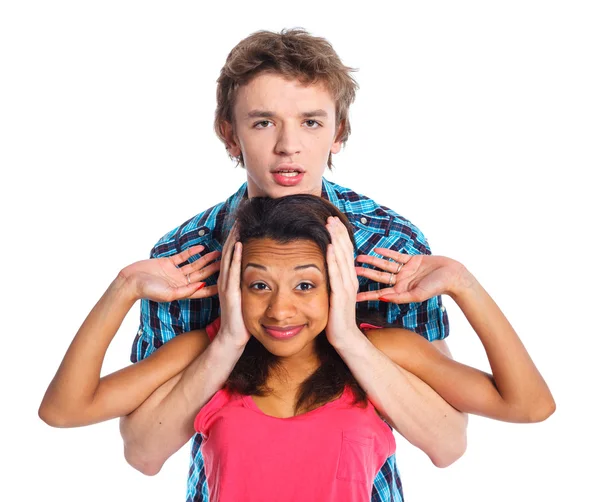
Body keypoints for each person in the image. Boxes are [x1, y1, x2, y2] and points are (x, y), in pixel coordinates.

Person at [121, 27, 469, 502]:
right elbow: (142, 452)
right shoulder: (181, 257)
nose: (289, 146)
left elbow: (448, 442)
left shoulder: (394, 244)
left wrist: (350, 340)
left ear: (338, 132)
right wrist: (221, 347)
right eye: (263, 122)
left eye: (311, 122)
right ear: (230, 133)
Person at [39, 195, 555, 502]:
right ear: (232, 286)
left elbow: (528, 406)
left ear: (338, 285)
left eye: (306, 286)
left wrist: (465, 285)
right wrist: (123, 288)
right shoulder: (206, 350)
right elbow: (64, 411)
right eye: (259, 285)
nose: (281, 310)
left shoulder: (385, 351)